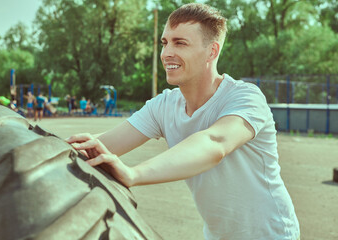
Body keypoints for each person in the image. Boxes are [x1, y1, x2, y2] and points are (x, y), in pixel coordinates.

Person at [67, 3, 300, 239]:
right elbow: (104, 145)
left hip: (272, 234)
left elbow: (214, 143)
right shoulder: (164, 105)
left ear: (212, 51)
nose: (167, 53)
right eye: (165, 42)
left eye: (180, 43)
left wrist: (134, 174)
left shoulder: (245, 97)